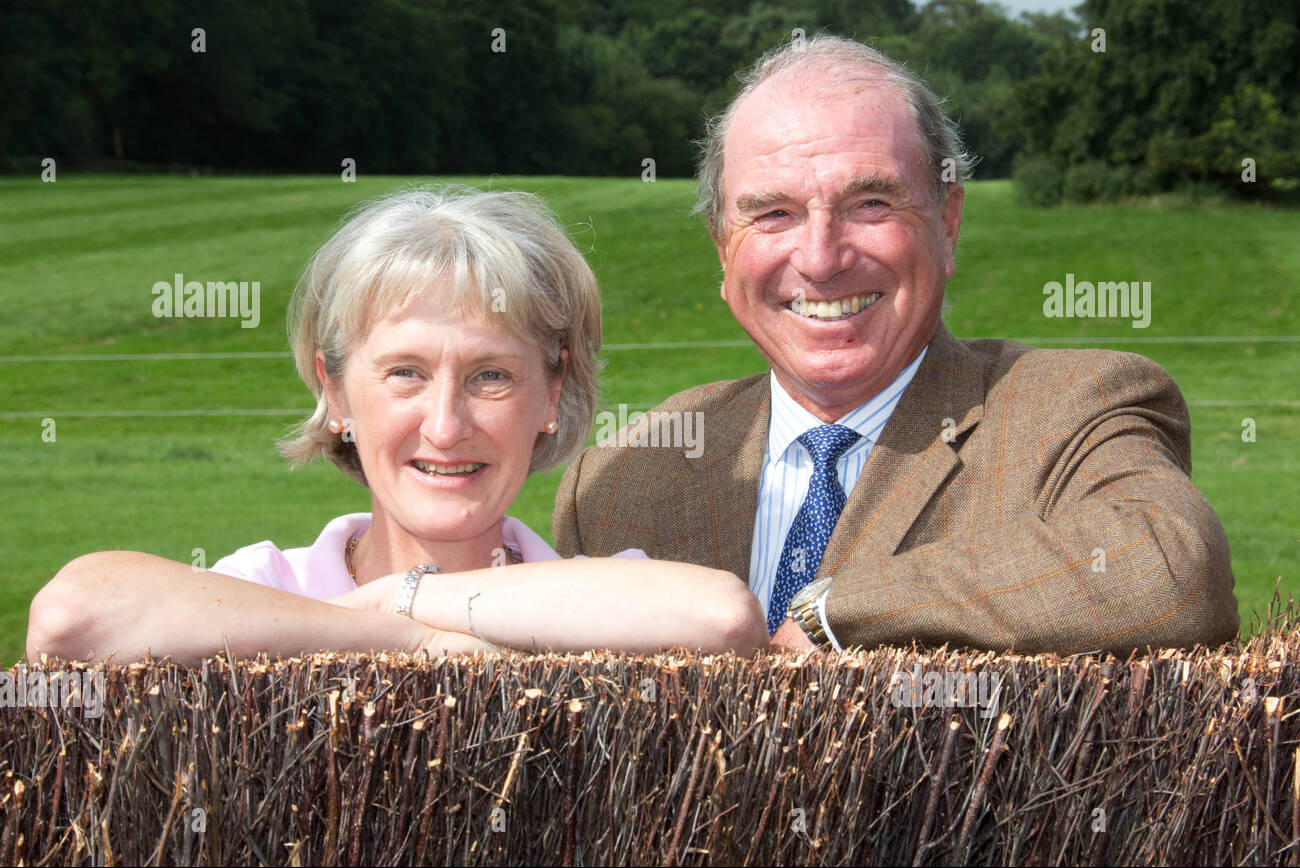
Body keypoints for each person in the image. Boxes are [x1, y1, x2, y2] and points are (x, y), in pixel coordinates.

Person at [553, 35, 1239, 655]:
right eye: (773, 213)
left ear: (947, 221)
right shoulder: (620, 482)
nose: (821, 259)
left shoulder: (1069, 410)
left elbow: (1169, 568)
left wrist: (838, 609)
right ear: (721, 248)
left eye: (871, 203)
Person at [27, 187, 767, 665]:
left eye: (491, 376)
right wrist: (403, 636)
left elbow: (722, 618)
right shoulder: (268, 585)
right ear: (336, 392)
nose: (445, 427)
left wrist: (402, 594)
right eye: (404, 373)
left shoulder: (601, 599)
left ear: (552, 395)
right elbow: (72, 618)